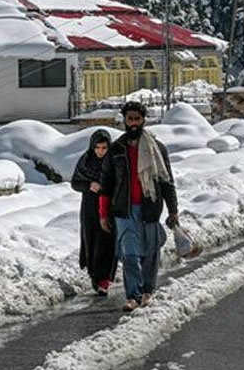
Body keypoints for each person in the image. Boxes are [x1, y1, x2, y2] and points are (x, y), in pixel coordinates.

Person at [99, 101, 179, 312]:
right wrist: (103, 213)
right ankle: (133, 295)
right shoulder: (116, 149)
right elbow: (106, 183)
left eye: (137, 119)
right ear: (124, 121)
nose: (133, 123)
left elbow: (167, 182)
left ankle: (147, 292)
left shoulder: (157, 149)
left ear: (143, 120)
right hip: (124, 211)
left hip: (150, 208)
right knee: (130, 254)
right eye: (130, 119)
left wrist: (173, 210)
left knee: (150, 253)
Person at [71, 129, 117, 296]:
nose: (100, 151)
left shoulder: (113, 162)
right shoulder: (85, 161)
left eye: (104, 148)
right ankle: (95, 276)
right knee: (91, 240)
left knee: (107, 241)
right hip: (90, 206)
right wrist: (89, 185)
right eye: (97, 147)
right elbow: (75, 182)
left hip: (109, 206)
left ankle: (104, 279)